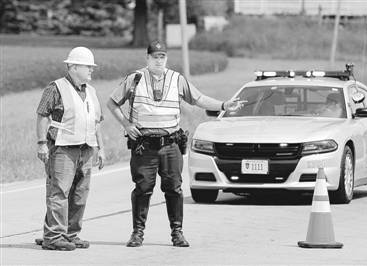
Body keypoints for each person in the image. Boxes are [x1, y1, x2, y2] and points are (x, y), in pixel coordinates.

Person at [107, 40, 245, 248]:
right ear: (148, 58)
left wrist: (223, 105)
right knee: (142, 188)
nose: (159, 60)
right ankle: (137, 233)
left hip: (170, 145)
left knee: (174, 189)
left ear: (166, 58)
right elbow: (112, 102)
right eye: (155, 57)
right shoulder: (135, 79)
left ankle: (177, 233)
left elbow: (198, 99)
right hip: (144, 146)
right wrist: (126, 125)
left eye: (162, 56)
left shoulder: (176, 79)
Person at [35, 47, 105, 251]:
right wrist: (41, 143)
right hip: (62, 148)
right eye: (88, 67)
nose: (92, 70)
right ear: (73, 67)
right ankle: (53, 236)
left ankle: (70, 233)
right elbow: (42, 115)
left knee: (80, 194)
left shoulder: (91, 91)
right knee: (59, 192)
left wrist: (101, 149)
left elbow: (96, 122)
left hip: (86, 149)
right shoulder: (55, 88)